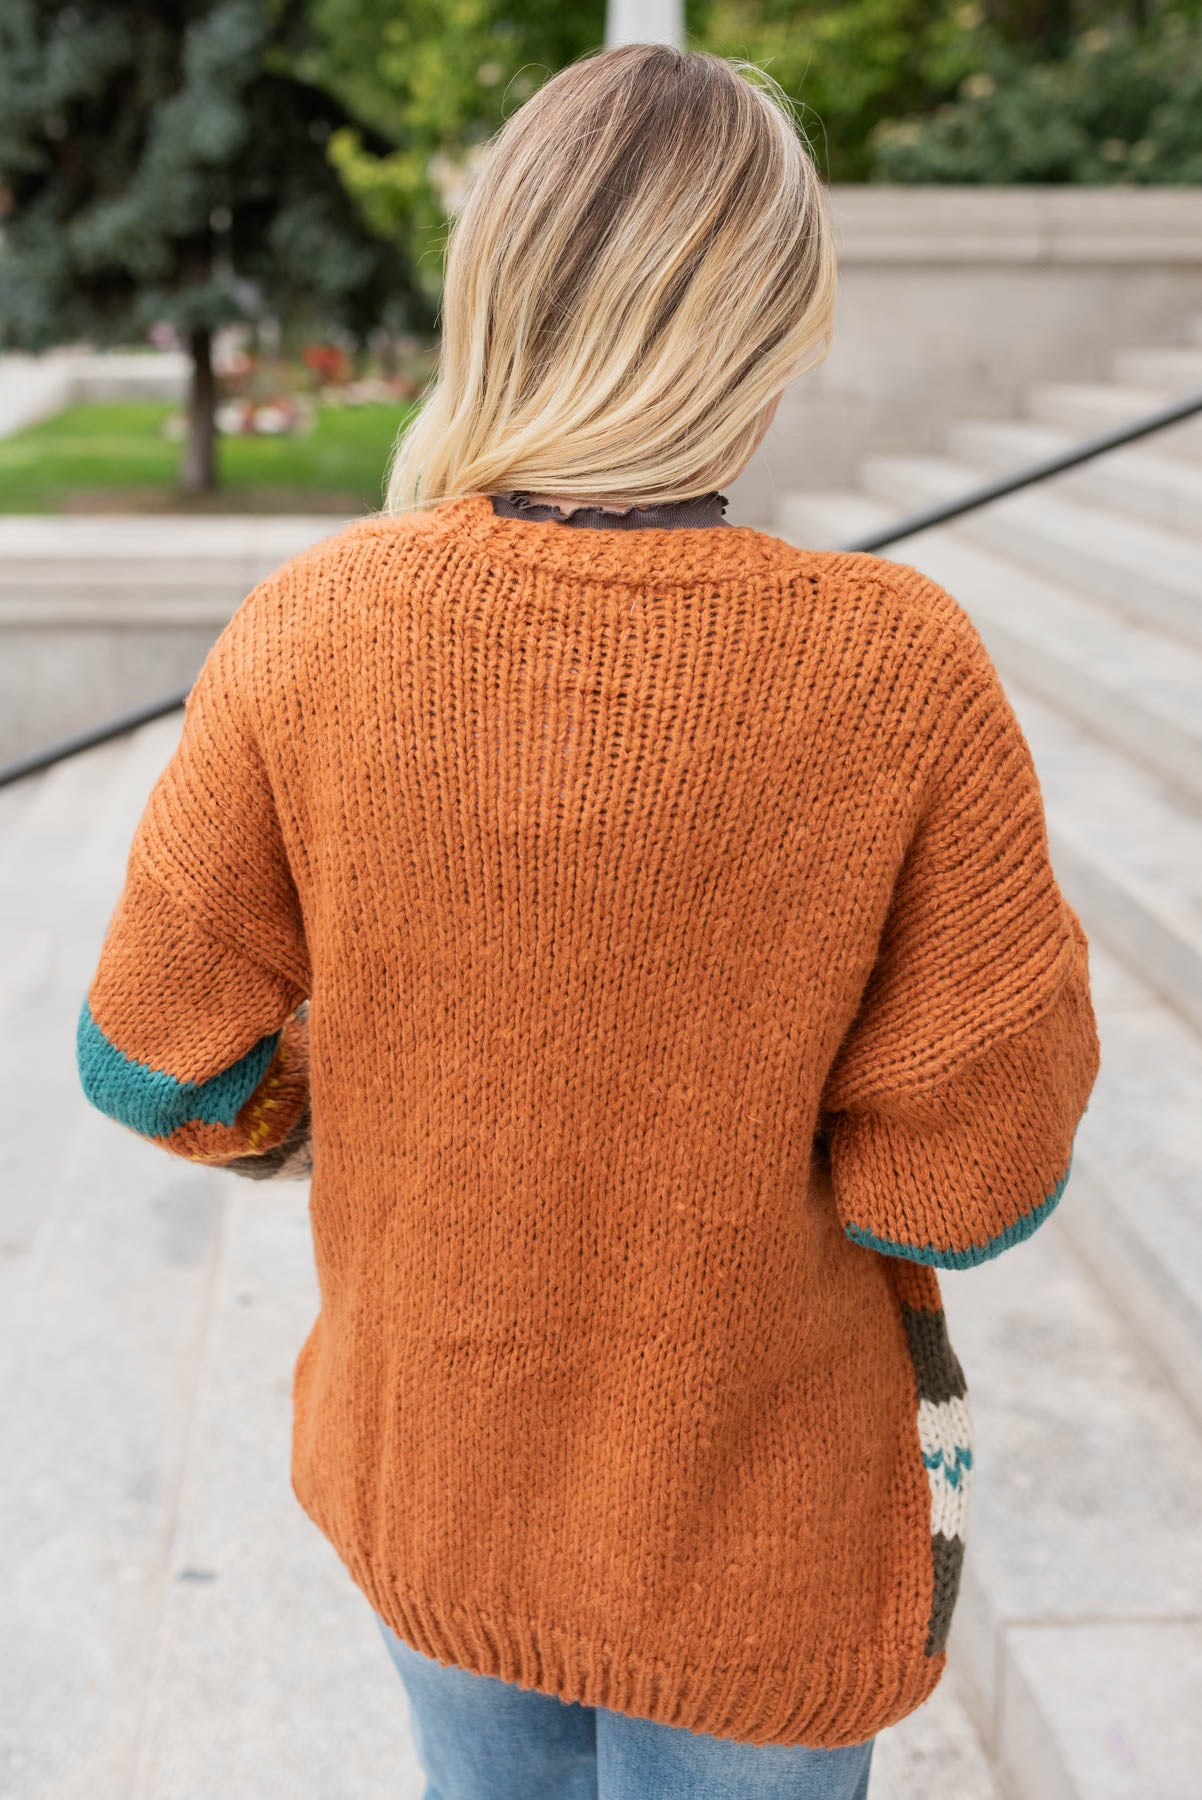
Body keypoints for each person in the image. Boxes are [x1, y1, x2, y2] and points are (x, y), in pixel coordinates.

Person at [76, 41, 1101, 1800]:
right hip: (752, 1538)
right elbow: (965, 1178)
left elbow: (157, 1059)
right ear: (777, 327)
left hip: (432, 1488)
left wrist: (354, 1087)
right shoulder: (893, 670)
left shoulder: (313, 629)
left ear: (498, 290)